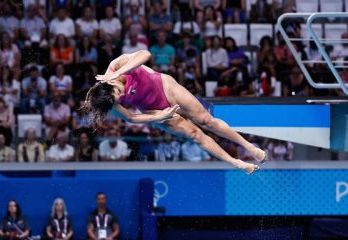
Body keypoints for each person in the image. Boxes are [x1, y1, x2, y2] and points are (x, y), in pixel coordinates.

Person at [81, 50, 266, 174]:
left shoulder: (116, 66)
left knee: (207, 121)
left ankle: (250, 147)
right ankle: (238, 163)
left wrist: (119, 72)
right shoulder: (110, 102)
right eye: (117, 100)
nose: (120, 99)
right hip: (154, 109)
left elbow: (146, 53)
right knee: (195, 135)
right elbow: (130, 117)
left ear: (111, 83)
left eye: (118, 94)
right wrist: (159, 117)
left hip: (166, 86)